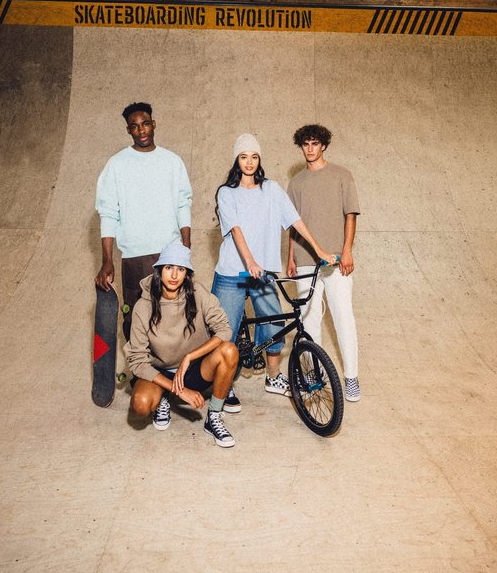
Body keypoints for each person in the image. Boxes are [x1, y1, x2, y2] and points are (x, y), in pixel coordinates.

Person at [212, 133, 336, 412]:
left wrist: (319, 250)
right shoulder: (227, 192)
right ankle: (224, 385)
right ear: (236, 160)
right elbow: (236, 231)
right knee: (225, 331)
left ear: (260, 159)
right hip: (233, 272)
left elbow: (296, 221)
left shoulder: (271, 189)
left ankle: (273, 376)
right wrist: (250, 262)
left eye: (254, 157)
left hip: (262, 273)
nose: (249, 162)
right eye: (243, 157)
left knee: (275, 324)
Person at [95, 102, 192, 339]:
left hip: (169, 255)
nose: (141, 130)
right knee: (136, 323)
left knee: (174, 320)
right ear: (128, 130)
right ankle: (139, 364)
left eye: (145, 124)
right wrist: (107, 260)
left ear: (153, 124)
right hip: (134, 257)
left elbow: (183, 204)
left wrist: (186, 247)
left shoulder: (172, 161)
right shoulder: (117, 164)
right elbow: (108, 213)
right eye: (135, 126)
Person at [128, 243, 239, 448]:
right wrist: (178, 390)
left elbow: (224, 329)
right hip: (160, 371)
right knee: (140, 405)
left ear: (187, 273)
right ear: (159, 270)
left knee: (229, 350)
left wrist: (190, 357)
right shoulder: (143, 306)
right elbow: (137, 362)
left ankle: (214, 416)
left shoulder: (197, 293)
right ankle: (164, 395)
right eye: (169, 267)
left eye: (180, 269)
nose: (174, 275)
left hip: (195, 369)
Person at [286, 124, 361, 402]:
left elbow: (350, 215)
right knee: (308, 320)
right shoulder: (296, 183)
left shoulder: (342, 175)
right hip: (305, 260)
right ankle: (312, 375)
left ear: (324, 146)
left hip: (337, 259)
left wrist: (347, 250)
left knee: (344, 317)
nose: (310, 148)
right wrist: (290, 257)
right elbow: (292, 224)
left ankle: (351, 377)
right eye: (305, 144)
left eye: (315, 143)